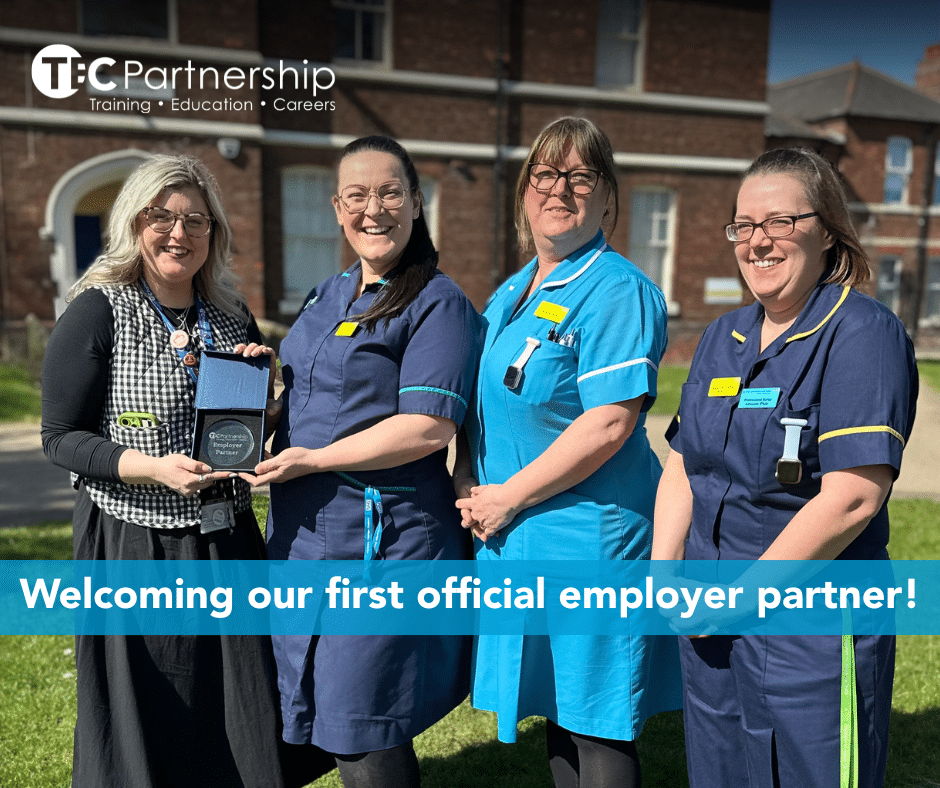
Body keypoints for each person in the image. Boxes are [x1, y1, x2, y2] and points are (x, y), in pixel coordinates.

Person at [651, 147, 918, 788]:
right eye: (743, 226)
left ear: (826, 229)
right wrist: (664, 574)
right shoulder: (724, 337)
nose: (758, 241)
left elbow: (854, 496)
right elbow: (686, 463)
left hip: (810, 634)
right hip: (711, 624)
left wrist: (736, 600)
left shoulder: (861, 333)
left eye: (781, 221)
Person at [41, 155, 292, 787]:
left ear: (214, 234)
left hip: (224, 539)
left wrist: (268, 403)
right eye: (162, 217)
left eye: (195, 221)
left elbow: (246, 438)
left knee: (235, 705)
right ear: (134, 221)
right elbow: (61, 438)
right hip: (131, 541)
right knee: (146, 706)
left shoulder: (232, 315)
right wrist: (149, 468)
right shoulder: (101, 309)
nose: (178, 234)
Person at [240, 135, 482, 788]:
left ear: (416, 202)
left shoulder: (439, 302)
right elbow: (304, 404)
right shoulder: (327, 294)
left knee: (362, 727)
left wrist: (314, 459)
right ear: (336, 207)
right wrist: (256, 410)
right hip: (301, 539)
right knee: (306, 712)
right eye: (356, 195)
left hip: (384, 543)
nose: (372, 209)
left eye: (389, 192)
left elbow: (428, 428)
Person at [453, 116, 682, 788]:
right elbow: (484, 401)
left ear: (607, 194)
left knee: (598, 722)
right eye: (546, 175)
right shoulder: (511, 291)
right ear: (525, 191)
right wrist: (469, 477)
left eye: (581, 176)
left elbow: (610, 423)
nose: (561, 190)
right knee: (559, 708)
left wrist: (505, 496)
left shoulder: (617, 290)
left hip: (588, 537)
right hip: (518, 533)